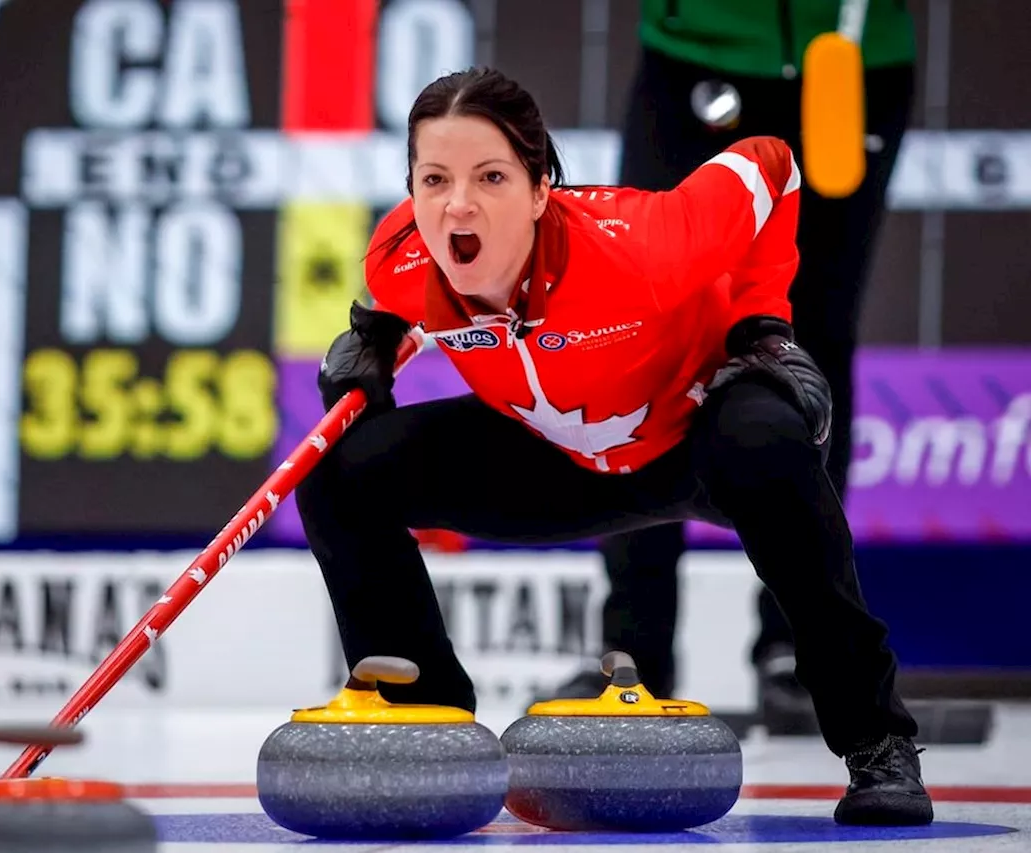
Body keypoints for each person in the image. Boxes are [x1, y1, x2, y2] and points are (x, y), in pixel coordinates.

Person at [296, 65, 931, 827]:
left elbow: (772, 163)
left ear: (539, 191)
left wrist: (762, 326)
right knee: (338, 471)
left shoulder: (643, 248)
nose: (457, 204)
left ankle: (877, 741)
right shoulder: (401, 255)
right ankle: (424, 722)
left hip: (693, 437)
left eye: (490, 177)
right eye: (433, 179)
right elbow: (387, 290)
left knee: (766, 440)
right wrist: (373, 334)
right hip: (556, 456)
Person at [542, 0, 918, 733]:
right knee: (644, 328)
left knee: (810, 345)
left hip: (851, 63)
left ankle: (802, 650)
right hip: (695, 53)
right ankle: (633, 649)